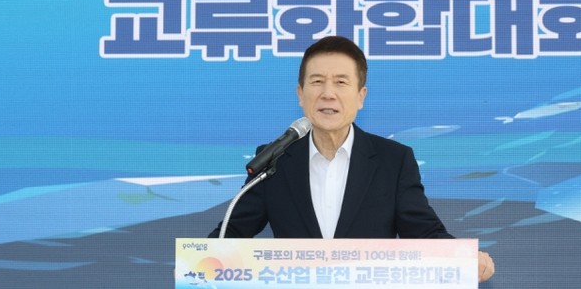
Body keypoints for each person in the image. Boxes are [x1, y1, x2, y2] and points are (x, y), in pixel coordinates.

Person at [209, 36, 495, 283]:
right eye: (317, 82)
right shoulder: (275, 160)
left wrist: (464, 259)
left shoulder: (393, 161)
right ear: (300, 94)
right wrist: (199, 262)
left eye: (341, 82)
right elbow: (230, 234)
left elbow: (424, 233)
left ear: (361, 96)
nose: (328, 94)